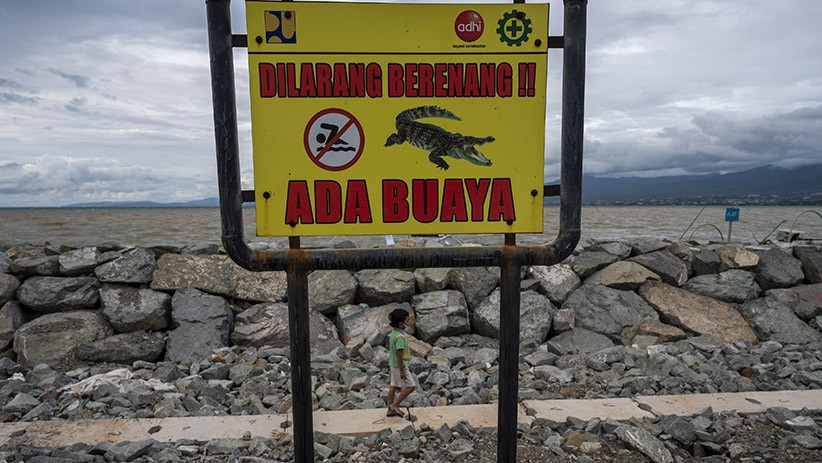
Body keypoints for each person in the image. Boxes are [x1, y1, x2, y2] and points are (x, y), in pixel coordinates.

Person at [386, 308, 416, 417]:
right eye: (407, 321)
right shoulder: (400, 338)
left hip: (393, 365)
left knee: (393, 386)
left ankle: (389, 409)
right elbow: (399, 355)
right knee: (411, 386)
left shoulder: (393, 333)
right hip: (400, 366)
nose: (408, 324)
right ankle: (395, 405)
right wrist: (402, 370)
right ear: (400, 324)